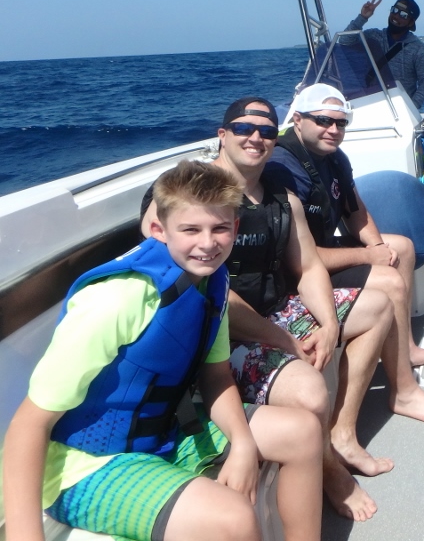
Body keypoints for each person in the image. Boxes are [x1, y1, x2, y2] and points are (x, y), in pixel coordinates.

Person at [3, 160, 323, 541]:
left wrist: (242, 443)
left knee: (303, 431)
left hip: (164, 432)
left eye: (220, 228)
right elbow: (28, 424)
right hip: (86, 467)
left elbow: (216, 377)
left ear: (236, 228)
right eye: (191, 229)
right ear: (159, 229)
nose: (208, 243)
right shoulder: (117, 299)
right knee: (233, 518)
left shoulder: (213, 281)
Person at [139, 98, 393, 522]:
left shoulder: (281, 196)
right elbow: (213, 293)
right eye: (244, 128)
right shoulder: (188, 193)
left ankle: (343, 434)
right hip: (222, 338)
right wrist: (285, 341)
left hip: (276, 313)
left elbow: (308, 266)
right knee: (309, 391)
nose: (256, 137)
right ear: (223, 135)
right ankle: (330, 470)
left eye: (267, 131)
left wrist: (329, 324)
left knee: (378, 306)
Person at [265, 82, 424, 425]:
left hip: (321, 254)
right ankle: (403, 392)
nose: (333, 129)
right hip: (295, 272)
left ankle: (405, 350)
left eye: (340, 123)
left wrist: (377, 247)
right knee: (389, 281)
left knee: (400, 247)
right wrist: (368, 258)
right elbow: (301, 260)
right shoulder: (283, 168)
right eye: (323, 120)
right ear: (297, 119)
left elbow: (356, 213)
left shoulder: (334, 157)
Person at [347, 0, 424, 109]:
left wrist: (411, 108)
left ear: (411, 22)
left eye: (403, 15)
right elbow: (345, 41)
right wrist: (362, 17)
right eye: (394, 10)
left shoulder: (418, 49)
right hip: (369, 105)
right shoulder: (372, 36)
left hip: (399, 109)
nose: (396, 16)